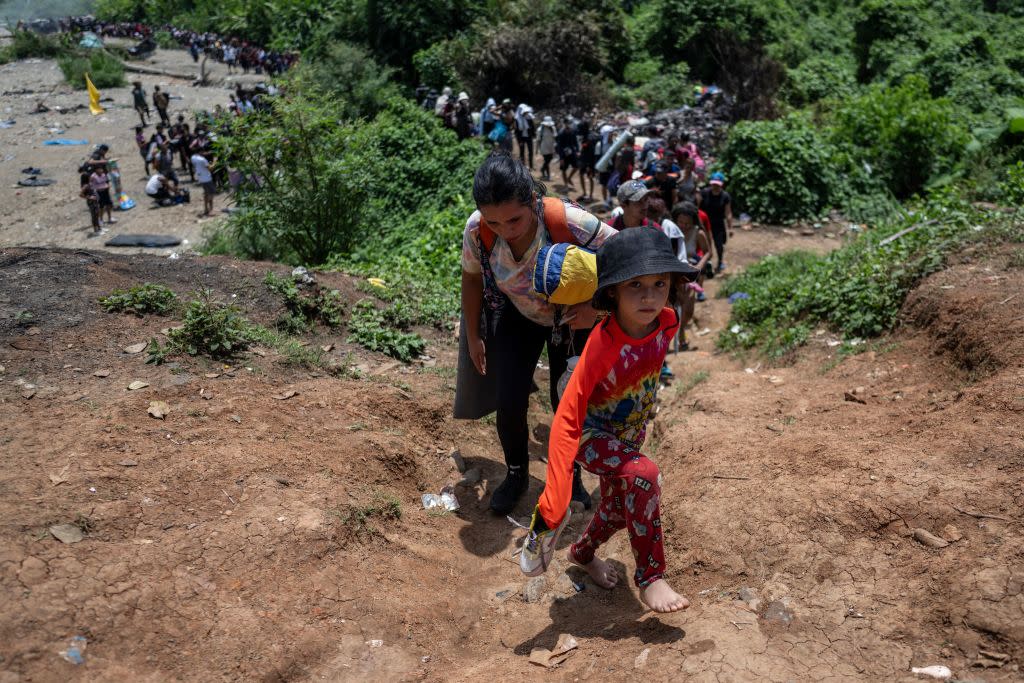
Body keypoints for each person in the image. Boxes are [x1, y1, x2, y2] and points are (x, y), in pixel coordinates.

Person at [519, 227, 696, 613]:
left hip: (627, 436)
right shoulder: (604, 343)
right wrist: (556, 494)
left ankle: (582, 554)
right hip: (591, 434)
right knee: (643, 476)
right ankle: (651, 577)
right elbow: (568, 412)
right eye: (635, 284)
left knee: (618, 507)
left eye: (659, 283)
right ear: (614, 290)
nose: (649, 296)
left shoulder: (667, 322)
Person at [460, 154, 618, 515]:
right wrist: (473, 334)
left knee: (566, 402)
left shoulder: (568, 221)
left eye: (514, 219)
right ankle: (516, 474)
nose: (505, 229)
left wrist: (598, 309)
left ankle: (570, 476)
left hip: (572, 318)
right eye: (494, 221)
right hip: (518, 315)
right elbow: (470, 277)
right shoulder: (477, 230)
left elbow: (627, 256)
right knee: (510, 399)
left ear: (532, 200)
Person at [672, 202, 711, 350]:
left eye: (687, 223)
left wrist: (698, 267)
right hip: (674, 274)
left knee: (688, 309)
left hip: (690, 275)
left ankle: (681, 329)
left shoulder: (698, 233)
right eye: (680, 222)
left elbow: (708, 251)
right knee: (672, 307)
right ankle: (675, 336)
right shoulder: (670, 231)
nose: (683, 225)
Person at [700, 172, 733, 272]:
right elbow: (698, 208)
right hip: (705, 223)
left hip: (718, 224)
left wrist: (730, 228)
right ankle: (706, 264)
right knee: (705, 245)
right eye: (713, 184)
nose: (715, 186)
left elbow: (728, 213)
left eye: (717, 184)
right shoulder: (704, 193)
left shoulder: (725, 196)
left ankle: (720, 262)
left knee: (719, 245)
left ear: (721, 184)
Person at [577, 117, 598, 202]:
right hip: (583, 160)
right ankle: (584, 193)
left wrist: (590, 165)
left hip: (590, 162)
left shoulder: (590, 137)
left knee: (590, 177)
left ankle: (591, 196)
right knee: (581, 175)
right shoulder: (585, 136)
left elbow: (592, 153)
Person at [191, 149, 215, 217]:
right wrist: (215, 161)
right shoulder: (202, 159)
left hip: (201, 178)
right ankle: (210, 210)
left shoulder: (193, 157)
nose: (205, 153)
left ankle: (206, 209)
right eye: (204, 152)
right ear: (200, 152)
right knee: (211, 194)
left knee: (206, 194)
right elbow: (210, 169)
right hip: (207, 178)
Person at [556, 118, 578, 189]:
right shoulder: (561, 133)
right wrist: (561, 158)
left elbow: (575, 142)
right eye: (567, 123)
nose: (568, 125)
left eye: (569, 123)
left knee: (576, 167)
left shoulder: (573, 131)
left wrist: (577, 151)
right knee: (564, 169)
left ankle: (569, 178)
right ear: (564, 124)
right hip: (564, 154)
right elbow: (559, 146)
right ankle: (566, 184)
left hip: (572, 152)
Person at [79, 164, 101, 233]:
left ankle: (99, 228)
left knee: (97, 214)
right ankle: (95, 230)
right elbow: (80, 194)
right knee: (94, 215)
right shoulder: (85, 186)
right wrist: (89, 197)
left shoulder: (89, 184)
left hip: (95, 201)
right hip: (91, 202)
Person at [514, 104, 535, 170]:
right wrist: (519, 141)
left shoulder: (529, 117)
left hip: (529, 136)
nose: (526, 113)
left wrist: (533, 134)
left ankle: (531, 166)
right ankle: (522, 166)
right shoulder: (517, 119)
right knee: (522, 152)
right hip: (521, 138)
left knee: (530, 151)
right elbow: (517, 131)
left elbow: (532, 127)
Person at [537, 116, 556, 181]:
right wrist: (537, 149)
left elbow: (555, 137)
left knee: (549, 159)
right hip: (544, 147)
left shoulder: (553, 128)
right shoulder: (540, 130)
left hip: (551, 147)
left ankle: (542, 169)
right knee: (547, 160)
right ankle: (548, 175)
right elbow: (538, 140)